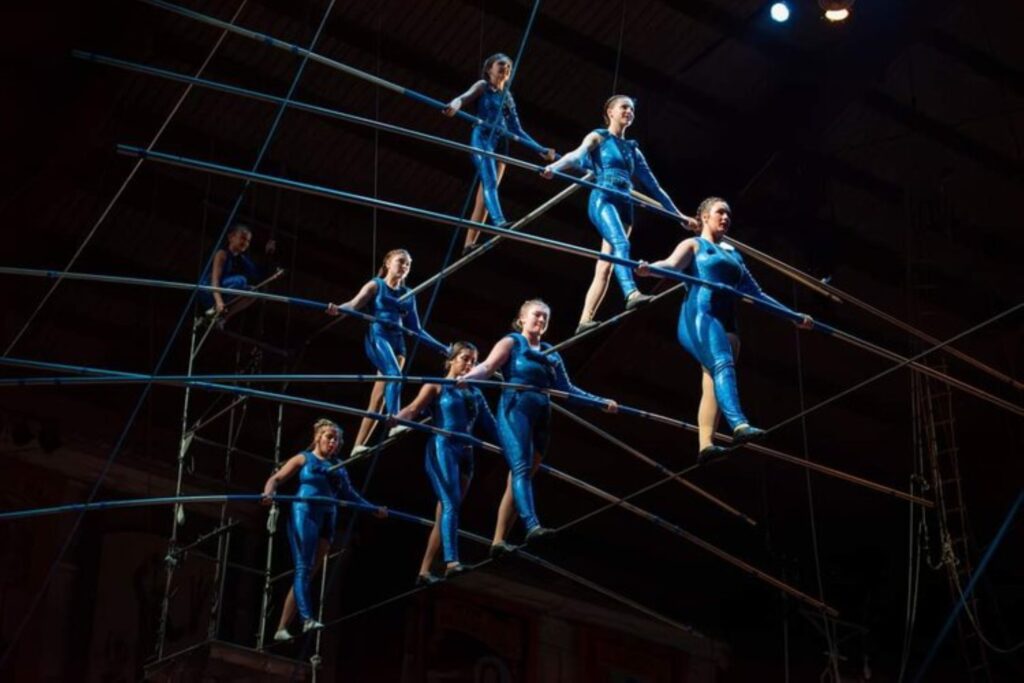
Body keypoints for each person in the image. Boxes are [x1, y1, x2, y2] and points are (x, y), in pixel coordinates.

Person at [636, 198, 813, 463]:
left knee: (713, 383)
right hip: (699, 315)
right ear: (705, 217)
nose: (726, 217)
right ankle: (739, 425)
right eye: (720, 212)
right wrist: (649, 268)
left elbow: (757, 294)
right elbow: (672, 266)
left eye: (729, 214)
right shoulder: (694, 244)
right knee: (722, 364)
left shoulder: (734, 255)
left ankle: (705, 445)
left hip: (727, 322)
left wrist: (792, 316)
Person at [457, 299, 617, 553]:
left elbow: (568, 390)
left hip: (542, 417)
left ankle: (498, 541)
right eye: (537, 315)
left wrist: (599, 402)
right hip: (515, 410)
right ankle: (532, 526)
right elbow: (487, 367)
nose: (541, 321)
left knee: (521, 477)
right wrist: (467, 378)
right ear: (522, 319)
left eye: (545, 318)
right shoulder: (512, 342)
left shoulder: (551, 353)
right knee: (519, 469)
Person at [540, 95, 694, 334]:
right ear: (610, 111)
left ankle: (584, 320)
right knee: (621, 244)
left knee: (606, 265)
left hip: (625, 206)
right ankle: (631, 292)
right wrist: (555, 168)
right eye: (624, 107)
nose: (629, 112)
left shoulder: (633, 150)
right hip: (603, 198)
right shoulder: (598, 136)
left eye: (632, 109)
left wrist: (679, 216)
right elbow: (577, 154)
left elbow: (655, 188)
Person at [261, 419, 386, 640]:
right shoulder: (304, 458)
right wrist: (269, 492)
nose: (334, 442)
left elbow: (351, 494)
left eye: (337, 439)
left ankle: (281, 628)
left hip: (328, 518)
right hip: (305, 512)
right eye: (330, 436)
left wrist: (372, 508)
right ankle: (306, 619)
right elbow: (277, 478)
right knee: (303, 566)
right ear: (318, 436)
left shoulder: (338, 467)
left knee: (308, 573)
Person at [390, 342, 499, 584]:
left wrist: (513, 449)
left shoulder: (475, 392)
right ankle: (451, 562)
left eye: (473, 360)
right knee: (450, 504)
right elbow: (414, 408)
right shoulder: (436, 386)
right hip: (443, 448)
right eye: (464, 358)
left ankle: (424, 571)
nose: (469, 364)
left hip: (467, 455)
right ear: (450, 361)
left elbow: (491, 426)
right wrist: (396, 419)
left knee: (449, 511)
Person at [327, 249, 449, 455]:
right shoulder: (376, 285)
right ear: (388, 263)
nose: (404, 267)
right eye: (401, 262)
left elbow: (417, 330)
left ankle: (358, 445)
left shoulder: (408, 294)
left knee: (379, 398)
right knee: (394, 375)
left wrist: (442, 347)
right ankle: (396, 420)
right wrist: (338, 308)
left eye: (408, 265)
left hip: (398, 343)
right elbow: (355, 304)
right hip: (379, 336)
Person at [444, 53, 556, 255]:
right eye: (501, 65)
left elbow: (517, 130)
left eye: (508, 66)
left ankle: (469, 244)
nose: (505, 68)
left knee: (485, 195)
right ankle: (499, 222)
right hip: (482, 137)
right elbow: (464, 97)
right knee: (490, 183)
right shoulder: (483, 86)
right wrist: (455, 105)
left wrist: (540, 150)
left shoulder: (508, 97)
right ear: (489, 69)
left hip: (501, 143)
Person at [200, 224, 277, 315]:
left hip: (224, 289)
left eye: (248, 241)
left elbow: (258, 275)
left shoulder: (242, 259)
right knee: (240, 280)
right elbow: (214, 280)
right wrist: (219, 301)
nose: (245, 243)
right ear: (231, 237)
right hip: (210, 290)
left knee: (253, 291)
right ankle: (218, 306)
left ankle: (223, 318)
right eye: (242, 238)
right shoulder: (222, 254)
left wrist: (268, 254)